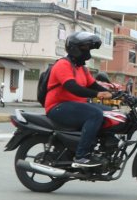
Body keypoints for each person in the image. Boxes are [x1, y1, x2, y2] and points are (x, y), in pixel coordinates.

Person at [45, 32, 113, 167]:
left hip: (74, 105)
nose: (88, 52)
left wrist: (113, 93)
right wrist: (97, 95)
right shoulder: (63, 65)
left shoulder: (81, 68)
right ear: (75, 49)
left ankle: (103, 146)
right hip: (58, 107)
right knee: (95, 114)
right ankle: (81, 156)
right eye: (85, 48)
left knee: (110, 113)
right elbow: (73, 87)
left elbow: (93, 85)